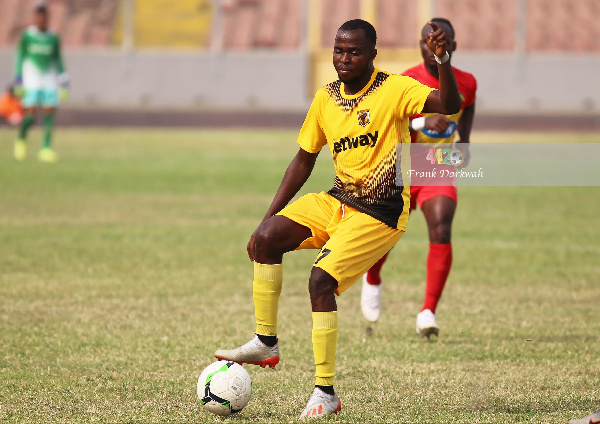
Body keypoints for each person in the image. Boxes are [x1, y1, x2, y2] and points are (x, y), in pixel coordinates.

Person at [214, 19, 461, 419]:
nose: (344, 59)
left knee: (320, 280)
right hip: (338, 200)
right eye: (339, 50)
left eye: (355, 52)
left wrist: (442, 60)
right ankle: (265, 342)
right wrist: (268, 217)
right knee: (265, 240)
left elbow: (447, 106)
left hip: (380, 213)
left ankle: (325, 392)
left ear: (372, 55)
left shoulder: (394, 88)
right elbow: (303, 159)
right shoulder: (326, 97)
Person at [360, 18, 477, 339]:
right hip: (400, 166)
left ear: (452, 46)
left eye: (440, 42)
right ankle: (372, 277)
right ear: (420, 45)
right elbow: (383, 124)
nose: (432, 47)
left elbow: (466, 115)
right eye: (426, 41)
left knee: (441, 224)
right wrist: (422, 122)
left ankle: (427, 312)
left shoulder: (466, 82)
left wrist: (462, 147)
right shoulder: (404, 81)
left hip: (436, 167)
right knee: (384, 232)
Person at [13, 4, 69, 162]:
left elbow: (58, 59)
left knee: (49, 113)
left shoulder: (53, 38)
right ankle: (21, 139)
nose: (41, 21)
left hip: (49, 79)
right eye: (38, 18)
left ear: (48, 19)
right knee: (30, 115)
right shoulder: (27, 36)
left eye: (44, 18)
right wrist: (18, 79)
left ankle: (46, 148)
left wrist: (64, 80)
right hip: (31, 80)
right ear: (34, 18)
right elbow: (20, 57)